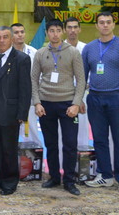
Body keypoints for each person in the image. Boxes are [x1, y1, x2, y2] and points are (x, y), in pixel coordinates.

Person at [82, 12, 119, 194]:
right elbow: (82, 77)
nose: (105, 25)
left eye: (108, 22)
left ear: (114, 25)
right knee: (99, 139)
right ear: (96, 26)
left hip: (118, 98)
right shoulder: (89, 48)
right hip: (95, 98)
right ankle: (105, 175)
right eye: (101, 22)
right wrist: (79, 99)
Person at [32, 20, 85, 196]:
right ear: (47, 33)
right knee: (51, 143)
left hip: (67, 104)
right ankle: (54, 177)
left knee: (70, 144)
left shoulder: (73, 52)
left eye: (57, 30)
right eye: (51, 31)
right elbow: (33, 79)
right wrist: (37, 102)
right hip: (46, 104)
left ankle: (69, 180)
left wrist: (76, 103)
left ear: (62, 32)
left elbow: (81, 80)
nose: (54, 34)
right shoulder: (40, 53)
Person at [0, 26, 31, 196]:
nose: (1, 40)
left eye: (5, 37)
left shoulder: (22, 59)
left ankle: (10, 181)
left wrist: (22, 114)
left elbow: (25, 89)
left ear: (11, 39)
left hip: (10, 112)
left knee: (9, 149)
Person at [11, 23, 39, 144]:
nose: (20, 35)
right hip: (11, 98)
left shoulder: (34, 52)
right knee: (11, 131)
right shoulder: (6, 52)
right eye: (16, 32)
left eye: (22, 32)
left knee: (31, 129)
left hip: (30, 96)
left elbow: (39, 76)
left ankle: (34, 154)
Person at [64, 17, 90, 147]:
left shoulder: (87, 48)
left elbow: (91, 73)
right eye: (69, 27)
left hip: (83, 94)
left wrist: (79, 96)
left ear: (79, 29)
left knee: (82, 128)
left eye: (75, 27)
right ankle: (63, 158)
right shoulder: (58, 48)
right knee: (63, 130)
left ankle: (83, 156)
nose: (72, 30)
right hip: (62, 94)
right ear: (64, 30)